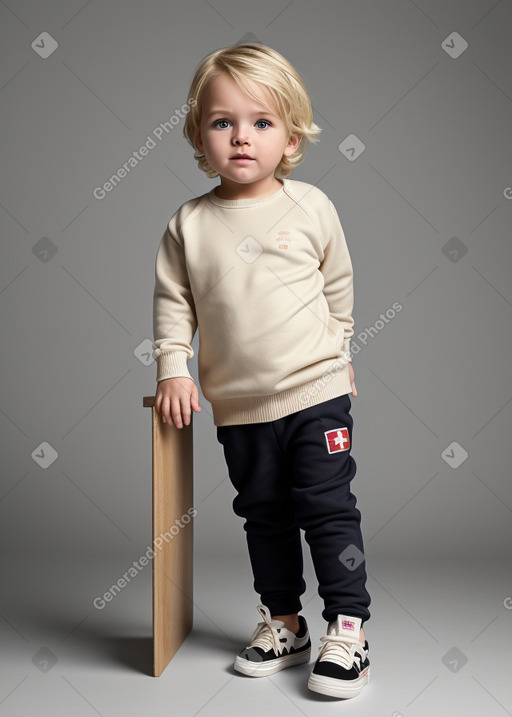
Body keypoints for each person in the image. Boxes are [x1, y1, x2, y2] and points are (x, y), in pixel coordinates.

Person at [152, 42, 372, 700]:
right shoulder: (188, 223)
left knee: (329, 509)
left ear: (292, 135)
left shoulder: (311, 207)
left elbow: (339, 286)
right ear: (199, 134)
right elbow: (174, 303)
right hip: (239, 405)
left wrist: (341, 349)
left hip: (316, 391)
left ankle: (350, 627)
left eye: (261, 122)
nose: (241, 136)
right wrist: (173, 367)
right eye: (223, 122)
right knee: (263, 514)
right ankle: (285, 620)